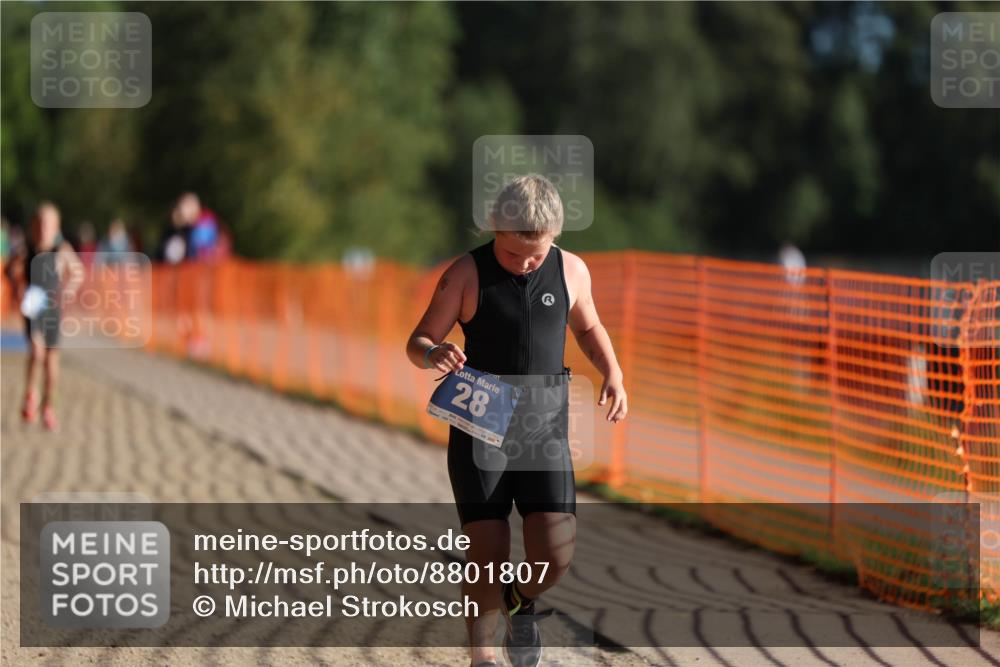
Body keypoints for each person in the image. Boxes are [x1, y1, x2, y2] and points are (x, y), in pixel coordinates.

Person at [406, 175, 628, 667]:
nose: (526, 264)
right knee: (486, 548)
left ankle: (520, 598)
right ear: (494, 231)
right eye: (513, 256)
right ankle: (482, 656)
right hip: (480, 420)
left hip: (543, 423)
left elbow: (588, 325)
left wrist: (612, 372)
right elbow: (418, 339)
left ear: (554, 237)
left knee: (557, 549)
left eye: (536, 253)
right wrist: (434, 353)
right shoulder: (465, 273)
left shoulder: (571, 270)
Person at [4, 202, 83, 431]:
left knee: (51, 359)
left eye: (47, 224)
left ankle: (49, 404)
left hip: (52, 307)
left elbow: (77, 272)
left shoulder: (61, 250)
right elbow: (10, 268)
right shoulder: (27, 248)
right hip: (33, 305)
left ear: (56, 227)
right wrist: (17, 286)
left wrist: (67, 290)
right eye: (39, 224)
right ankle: (31, 394)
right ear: (32, 226)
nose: (43, 229)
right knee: (36, 352)